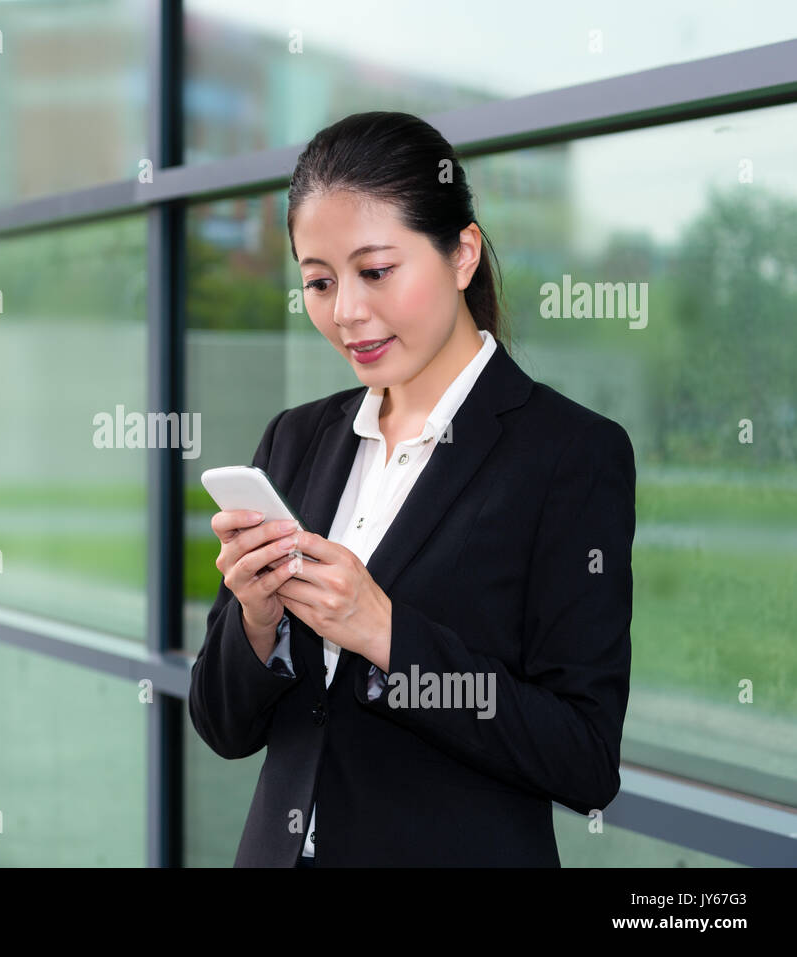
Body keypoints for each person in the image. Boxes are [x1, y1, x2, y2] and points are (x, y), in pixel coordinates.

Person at [188, 111, 636, 867]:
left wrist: (386, 635)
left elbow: (584, 758)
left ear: (462, 254)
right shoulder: (295, 440)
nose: (346, 312)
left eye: (376, 271)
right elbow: (223, 726)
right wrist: (258, 621)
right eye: (320, 282)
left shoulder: (569, 454)